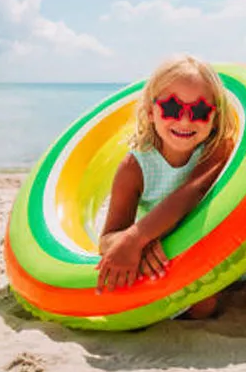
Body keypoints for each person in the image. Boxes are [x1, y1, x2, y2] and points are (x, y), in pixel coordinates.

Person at [96, 54, 235, 319]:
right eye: (171, 109)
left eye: (200, 111)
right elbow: (108, 237)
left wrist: (137, 237)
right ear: (151, 112)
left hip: (207, 246)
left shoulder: (217, 148)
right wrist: (138, 243)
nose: (184, 121)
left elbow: (193, 191)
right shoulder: (134, 167)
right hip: (159, 250)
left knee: (204, 306)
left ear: (215, 117)